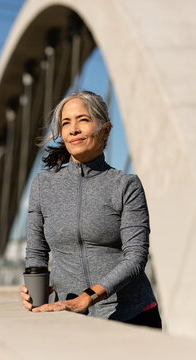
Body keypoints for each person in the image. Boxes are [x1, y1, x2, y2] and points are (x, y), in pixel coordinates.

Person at [19, 90, 161, 329]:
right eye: (66, 123)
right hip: (70, 318)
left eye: (83, 120)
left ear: (105, 130)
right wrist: (34, 292)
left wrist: (87, 297)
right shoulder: (44, 185)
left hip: (131, 317)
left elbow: (136, 258)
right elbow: (36, 252)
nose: (73, 129)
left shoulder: (126, 184)